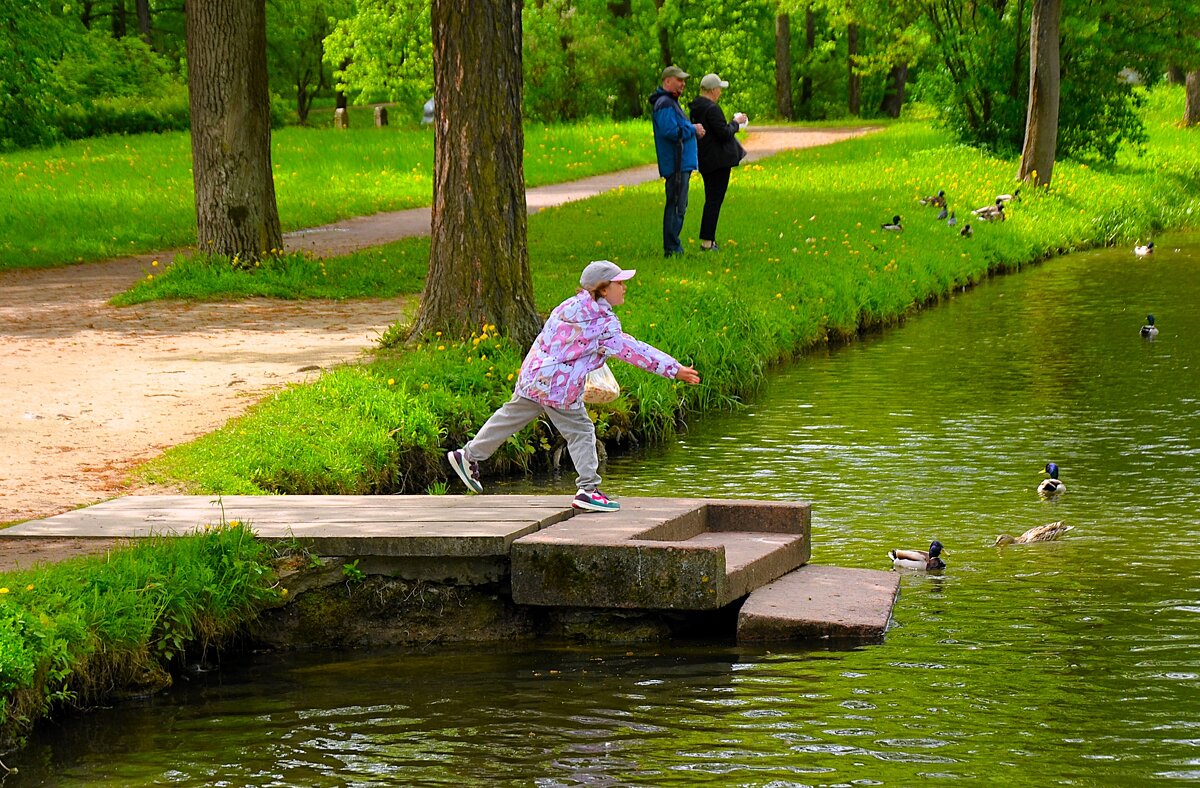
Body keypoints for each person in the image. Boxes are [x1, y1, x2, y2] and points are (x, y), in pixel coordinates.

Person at [447, 260, 701, 512]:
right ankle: (588, 490)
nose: (624, 287)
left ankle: (468, 455)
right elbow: (633, 350)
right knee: (580, 429)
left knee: (509, 417)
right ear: (603, 289)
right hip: (559, 386)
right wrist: (674, 369)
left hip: (534, 377)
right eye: (619, 283)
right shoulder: (603, 323)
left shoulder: (569, 306)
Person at [649, 66, 705, 257]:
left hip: (681, 163)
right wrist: (693, 129)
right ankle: (672, 249)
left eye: (684, 81)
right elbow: (670, 131)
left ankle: (674, 246)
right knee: (675, 205)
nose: (683, 84)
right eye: (679, 80)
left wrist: (690, 128)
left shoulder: (670, 102)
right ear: (667, 82)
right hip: (676, 163)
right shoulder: (664, 104)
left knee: (679, 205)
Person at [688, 73, 748, 252]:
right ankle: (707, 242)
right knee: (714, 200)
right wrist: (736, 123)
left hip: (706, 158)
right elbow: (723, 133)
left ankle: (709, 240)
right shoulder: (712, 109)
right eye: (719, 89)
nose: (720, 92)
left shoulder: (696, 108)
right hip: (719, 160)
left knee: (711, 199)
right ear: (713, 90)